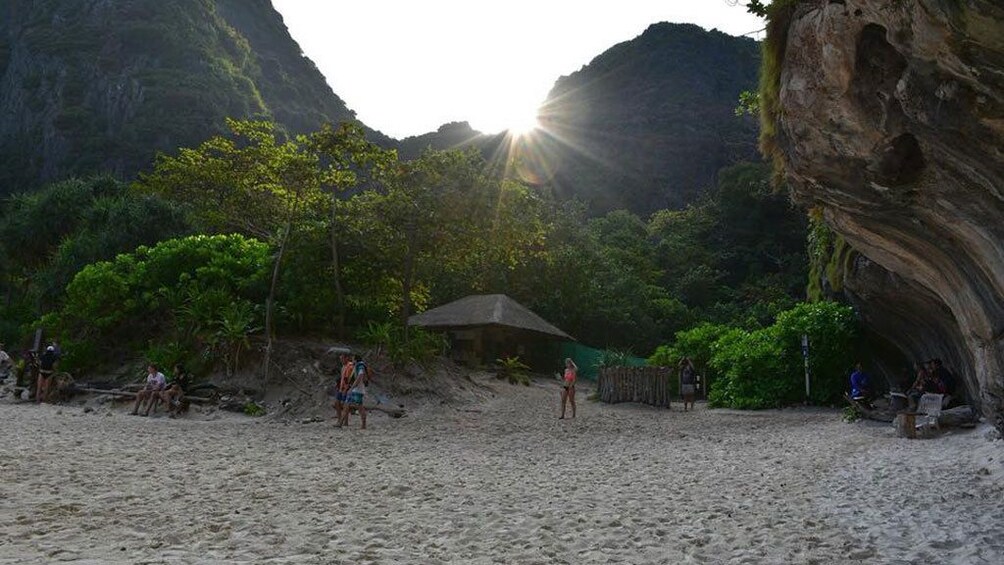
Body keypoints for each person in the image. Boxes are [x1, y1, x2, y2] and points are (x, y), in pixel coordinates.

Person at [339, 355, 371, 429]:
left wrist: (352, 387)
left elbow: (360, 377)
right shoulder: (357, 366)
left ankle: (364, 425)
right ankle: (341, 423)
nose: (352, 360)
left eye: (353, 359)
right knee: (346, 405)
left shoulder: (360, 366)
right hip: (355, 389)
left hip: (358, 390)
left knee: (360, 407)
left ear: (356, 360)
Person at [333, 353, 355, 426]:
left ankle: (343, 421)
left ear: (346, 358)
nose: (341, 360)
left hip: (346, 388)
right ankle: (340, 420)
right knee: (337, 403)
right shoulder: (343, 367)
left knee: (345, 405)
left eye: (342, 359)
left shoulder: (350, 366)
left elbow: (349, 379)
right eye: (340, 359)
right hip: (341, 387)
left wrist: (346, 388)